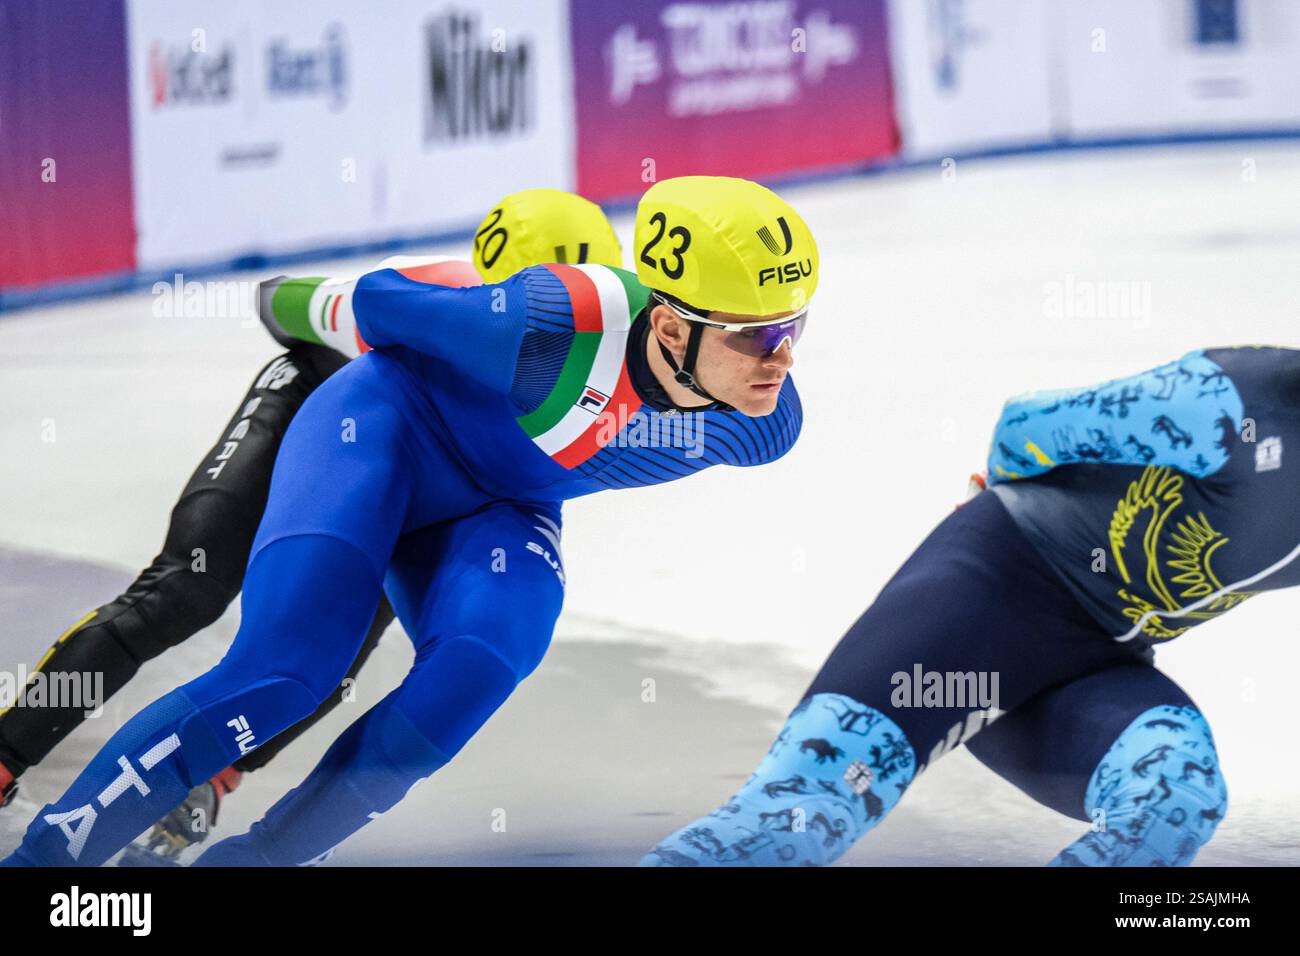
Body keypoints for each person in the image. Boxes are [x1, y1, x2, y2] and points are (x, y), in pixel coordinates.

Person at [1, 175, 816, 867]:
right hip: (382, 436)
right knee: (285, 675)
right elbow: (375, 303)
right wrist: (282, 308)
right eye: (760, 336)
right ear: (671, 326)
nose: (783, 359)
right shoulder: (545, 325)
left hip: (500, 507)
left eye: (795, 328)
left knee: (485, 662)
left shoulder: (765, 423)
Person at [642, 346, 1292, 866]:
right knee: (796, 818)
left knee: (1176, 792)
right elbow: (1027, 426)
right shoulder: (1230, 403)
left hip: (1099, 666)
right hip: (989, 595)